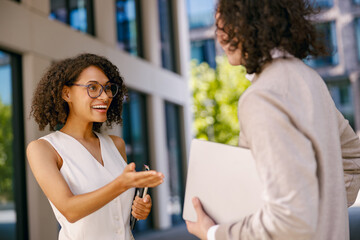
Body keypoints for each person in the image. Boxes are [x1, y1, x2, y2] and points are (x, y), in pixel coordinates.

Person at [186, 0, 360, 239]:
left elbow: (290, 219)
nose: (219, 38)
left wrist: (214, 233)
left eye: (223, 27)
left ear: (251, 22)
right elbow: (353, 156)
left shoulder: (262, 96)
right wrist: (324, 212)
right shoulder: (309, 79)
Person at [26, 53, 164, 240]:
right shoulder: (43, 149)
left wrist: (140, 208)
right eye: (93, 87)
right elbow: (69, 210)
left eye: (108, 88)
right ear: (67, 94)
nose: (106, 96)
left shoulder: (116, 144)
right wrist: (122, 184)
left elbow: (116, 214)